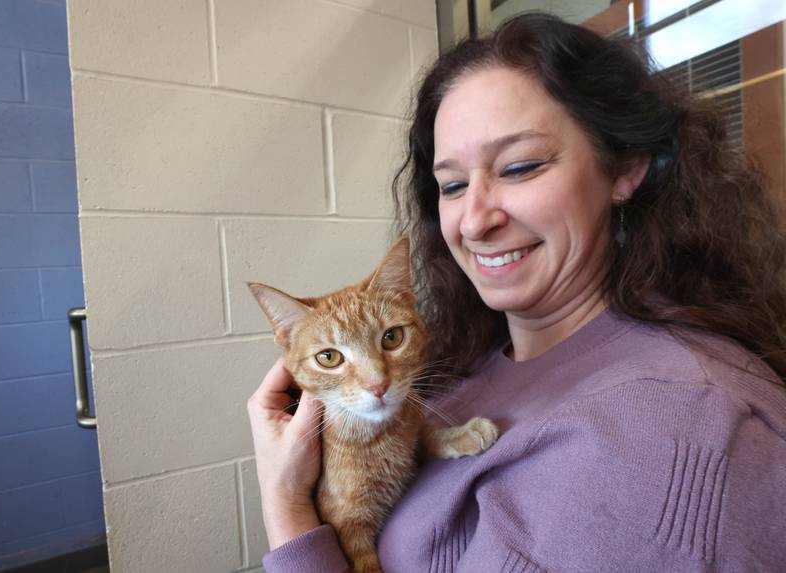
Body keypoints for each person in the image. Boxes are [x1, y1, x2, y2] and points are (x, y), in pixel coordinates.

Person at [247, 12, 786, 572]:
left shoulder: (675, 425)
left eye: (520, 167)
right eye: (451, 185)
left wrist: (284, 509)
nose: (474, 221)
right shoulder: (475, 359)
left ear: (624, 167)